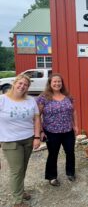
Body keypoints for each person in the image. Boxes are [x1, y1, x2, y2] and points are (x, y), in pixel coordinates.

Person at [0, 74, 40, 207]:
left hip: (28, 139)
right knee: (16, 170)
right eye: (20, 83)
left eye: (25, 85)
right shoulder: (2, 100)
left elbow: (37, 119)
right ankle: (18, 201)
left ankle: (20, 191)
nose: (22, 86)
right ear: (14, 83)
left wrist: (37, 137)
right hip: (10, 141)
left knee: (22, 168)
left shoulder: (30, 100)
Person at [36, 73, 79, 187]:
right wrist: (40, 131)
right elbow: (37, 115)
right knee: (53, 154)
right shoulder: (43, 98)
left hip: (68, 131)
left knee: (70, 152)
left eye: (59, 81)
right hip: (51, 132)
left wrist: (75, 126)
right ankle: (52, 176)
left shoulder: (68, 96)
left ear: (62, 83)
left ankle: (70, 172)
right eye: (54, 81)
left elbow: (73, 111)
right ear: (50, 83)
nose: (57, 83)